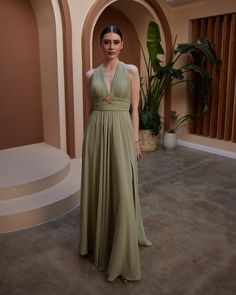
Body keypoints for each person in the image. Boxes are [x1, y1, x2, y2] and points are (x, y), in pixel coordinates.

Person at [79, 25, 151, 284]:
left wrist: (135, 141)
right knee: (99, 188)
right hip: (97, 134)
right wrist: (87, 141)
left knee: (122, 190)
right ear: (101, 44)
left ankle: (122, 254)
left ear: (122, 44)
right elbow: (89, 110)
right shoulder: (90, 75)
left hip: (121, 133)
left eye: (116, 41)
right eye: (107, 41)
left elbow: (134, 109)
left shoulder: (130, 70)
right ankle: (100, 243)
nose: (111, 46)